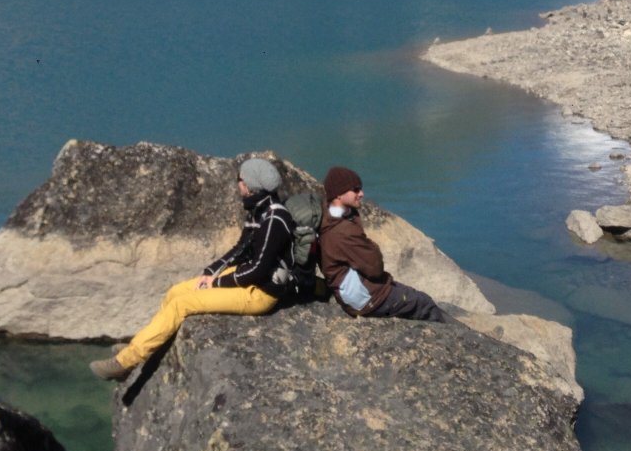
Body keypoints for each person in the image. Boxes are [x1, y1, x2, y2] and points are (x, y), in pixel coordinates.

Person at [90, 157, 295, 380]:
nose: (238, 184)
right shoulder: (258, 209)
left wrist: (215, 283)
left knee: (183, 304)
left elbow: (258, 269)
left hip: (260, 293)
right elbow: (241, 248)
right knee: (176, 291)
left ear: (248, 185)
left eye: (240, 179)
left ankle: (125, 362)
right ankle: (144, 343)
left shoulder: (274, 219)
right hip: (249, 279)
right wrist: (211, 271)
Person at [318, 165, 448, 323]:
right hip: (367, 298)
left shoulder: (329, 216)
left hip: (353, 288)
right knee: (424, 303)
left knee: (412, 295)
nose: (361, 194)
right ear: (339, 194)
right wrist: (371, 245)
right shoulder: (343, 231)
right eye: (355, 190)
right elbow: (375, 268)